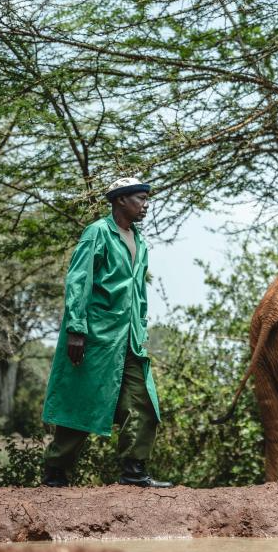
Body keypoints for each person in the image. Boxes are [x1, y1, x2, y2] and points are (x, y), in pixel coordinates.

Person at [40, 178, 172, 488]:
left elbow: (139, 292)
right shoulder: (98, 232)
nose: (146, 205)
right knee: (83, 400)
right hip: (96, 337)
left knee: (143, 401)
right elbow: (78, 280)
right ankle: (56, 474)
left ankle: (134, 471)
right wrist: (76, 329)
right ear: (121, 201)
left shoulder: (139, 241)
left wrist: (140, 329)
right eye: (141, 199)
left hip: (128, 339)